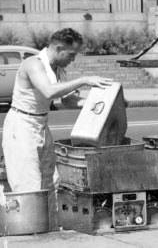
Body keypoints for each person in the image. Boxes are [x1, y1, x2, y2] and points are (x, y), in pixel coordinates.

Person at [1, 28, 114, 231]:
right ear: (59, 48)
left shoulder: (58, 70)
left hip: (40, 125)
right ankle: (29, 236)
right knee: (30, 187)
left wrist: (105, 101)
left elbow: (64, 101)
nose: (73, 59)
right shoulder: (33, 64)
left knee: (51, 182)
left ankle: (50, 232)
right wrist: (84, 79)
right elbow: (48, 90)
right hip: (21, 126)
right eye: (71, 54)